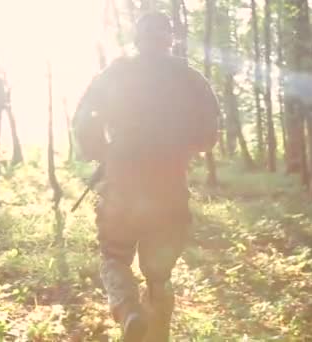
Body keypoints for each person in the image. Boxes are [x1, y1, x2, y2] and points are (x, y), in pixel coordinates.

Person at [72, 11, 219, 342]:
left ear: (138, 39)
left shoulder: (115, 74)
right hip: (169, 192)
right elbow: (209, 135)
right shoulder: (191, 79)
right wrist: (181, 147)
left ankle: (128, 311)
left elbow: (84, 118)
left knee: (114, 256)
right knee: (159, 276)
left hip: (121, 187)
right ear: (169, 40)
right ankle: (156, 334)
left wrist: (100, 152)